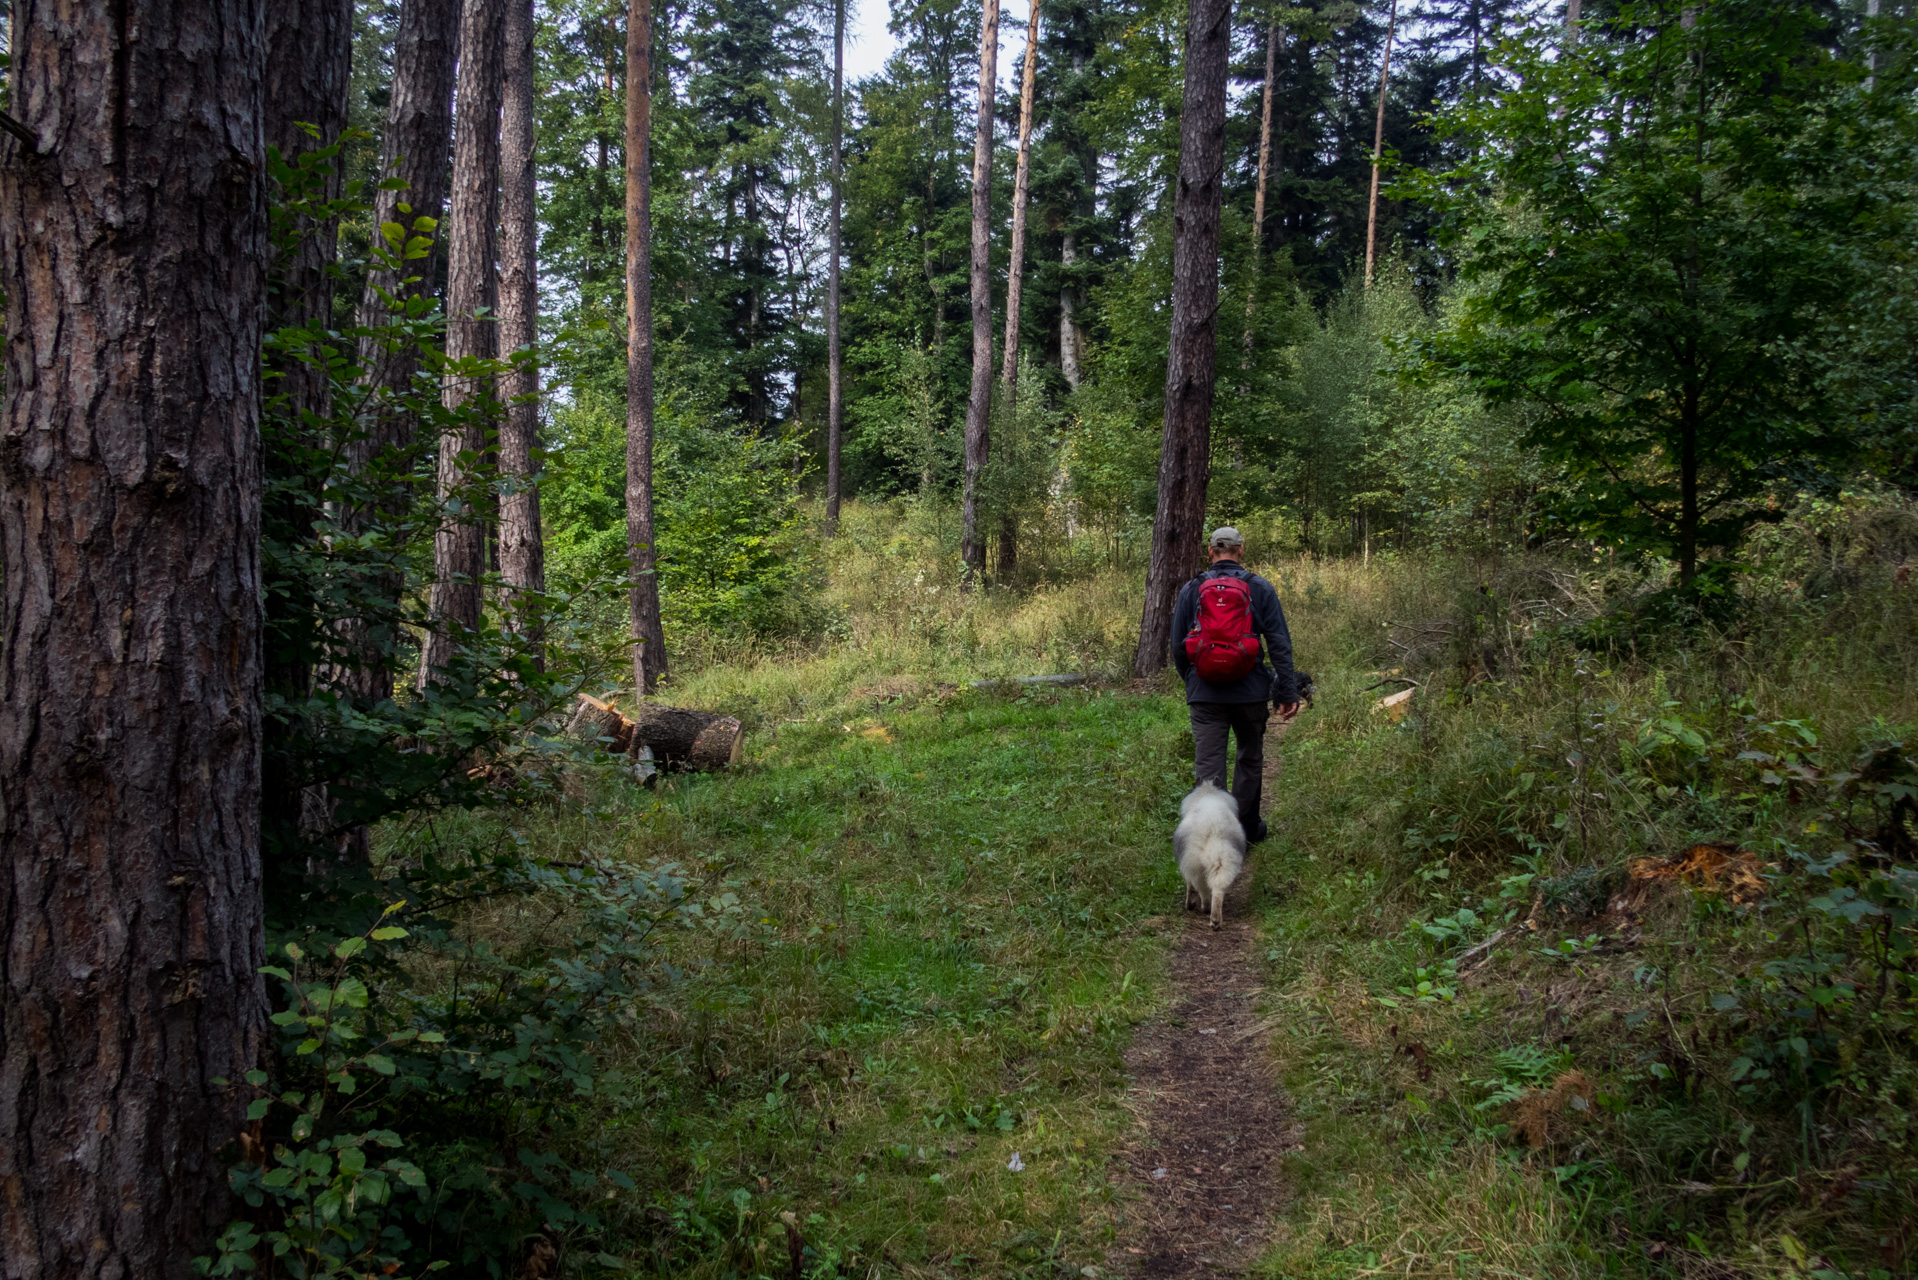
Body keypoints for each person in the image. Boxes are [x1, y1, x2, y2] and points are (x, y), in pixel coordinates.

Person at [1169, 527, 1301, 843]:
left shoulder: (1192, 589)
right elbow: (1279, 643)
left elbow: (1177, 646)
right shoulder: (1260, 588)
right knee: (1250, 759)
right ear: (1241, 551)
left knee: (1209, 769)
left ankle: (1214, 836)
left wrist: (1192, 680)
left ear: (1210, 552)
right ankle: (1246, 829)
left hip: (1205, 695)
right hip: (1251, 692)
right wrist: (1287, 691)